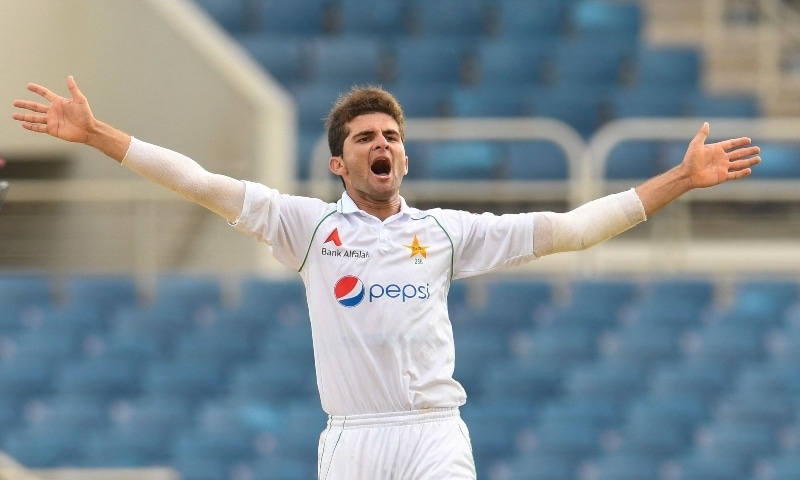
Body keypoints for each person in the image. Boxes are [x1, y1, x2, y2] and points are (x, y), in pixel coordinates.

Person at [12, 76, 760, 479]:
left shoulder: (443, 232)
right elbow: (201, 182)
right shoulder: (308, 229)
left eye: (392, 137)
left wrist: (682, 179)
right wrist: (97, 134)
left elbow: (572, 231)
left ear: (403, 158)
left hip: (435, 433)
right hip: (353, 443)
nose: (382, 144)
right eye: (366, 137)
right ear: (340, 163)